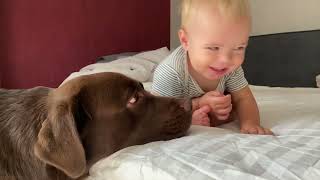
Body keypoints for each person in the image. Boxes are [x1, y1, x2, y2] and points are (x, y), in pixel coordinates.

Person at [152, 0, 273, 135]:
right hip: (177, 111)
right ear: (186, 41)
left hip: (213, 111)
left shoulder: (231, 68)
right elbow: (158, 117)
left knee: (233, 108)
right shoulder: (171, 73)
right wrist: (190, 118)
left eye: (239, 48)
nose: (226, 60)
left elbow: (243, 97)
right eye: (213, 48)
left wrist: (250, 123)